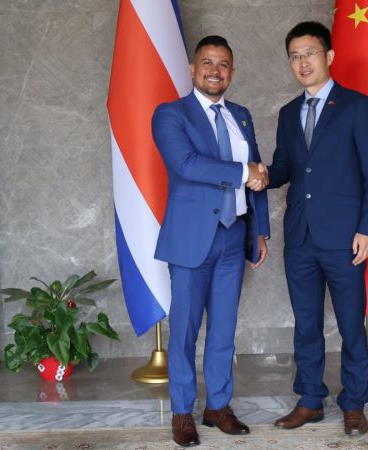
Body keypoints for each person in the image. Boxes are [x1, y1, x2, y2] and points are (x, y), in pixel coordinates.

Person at [265, 21, 368, 436]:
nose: (303, 62)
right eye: (295, 56)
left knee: (351, 323)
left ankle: (353, 402)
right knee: (306, 324)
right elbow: (286, 166)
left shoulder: (356, 106)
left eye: (310, 53)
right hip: (300, 236)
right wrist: (261, 175)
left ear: (329, 56)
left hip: (345, 237)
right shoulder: (288, 113)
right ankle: (310, 400)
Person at [151, 35, 270, 447]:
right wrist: (243, 172)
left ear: (231, 72)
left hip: (234, 236)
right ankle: (182, 411)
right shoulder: (171, 114)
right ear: (192, 68)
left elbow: (257, 174)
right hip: (191, 239)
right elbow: (186, 164)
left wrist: (261, 229)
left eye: (223, 64)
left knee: (223, 329)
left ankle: (218, 406)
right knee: (184, 330)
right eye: (207, 62)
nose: (215, 71)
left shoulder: (241, 115)